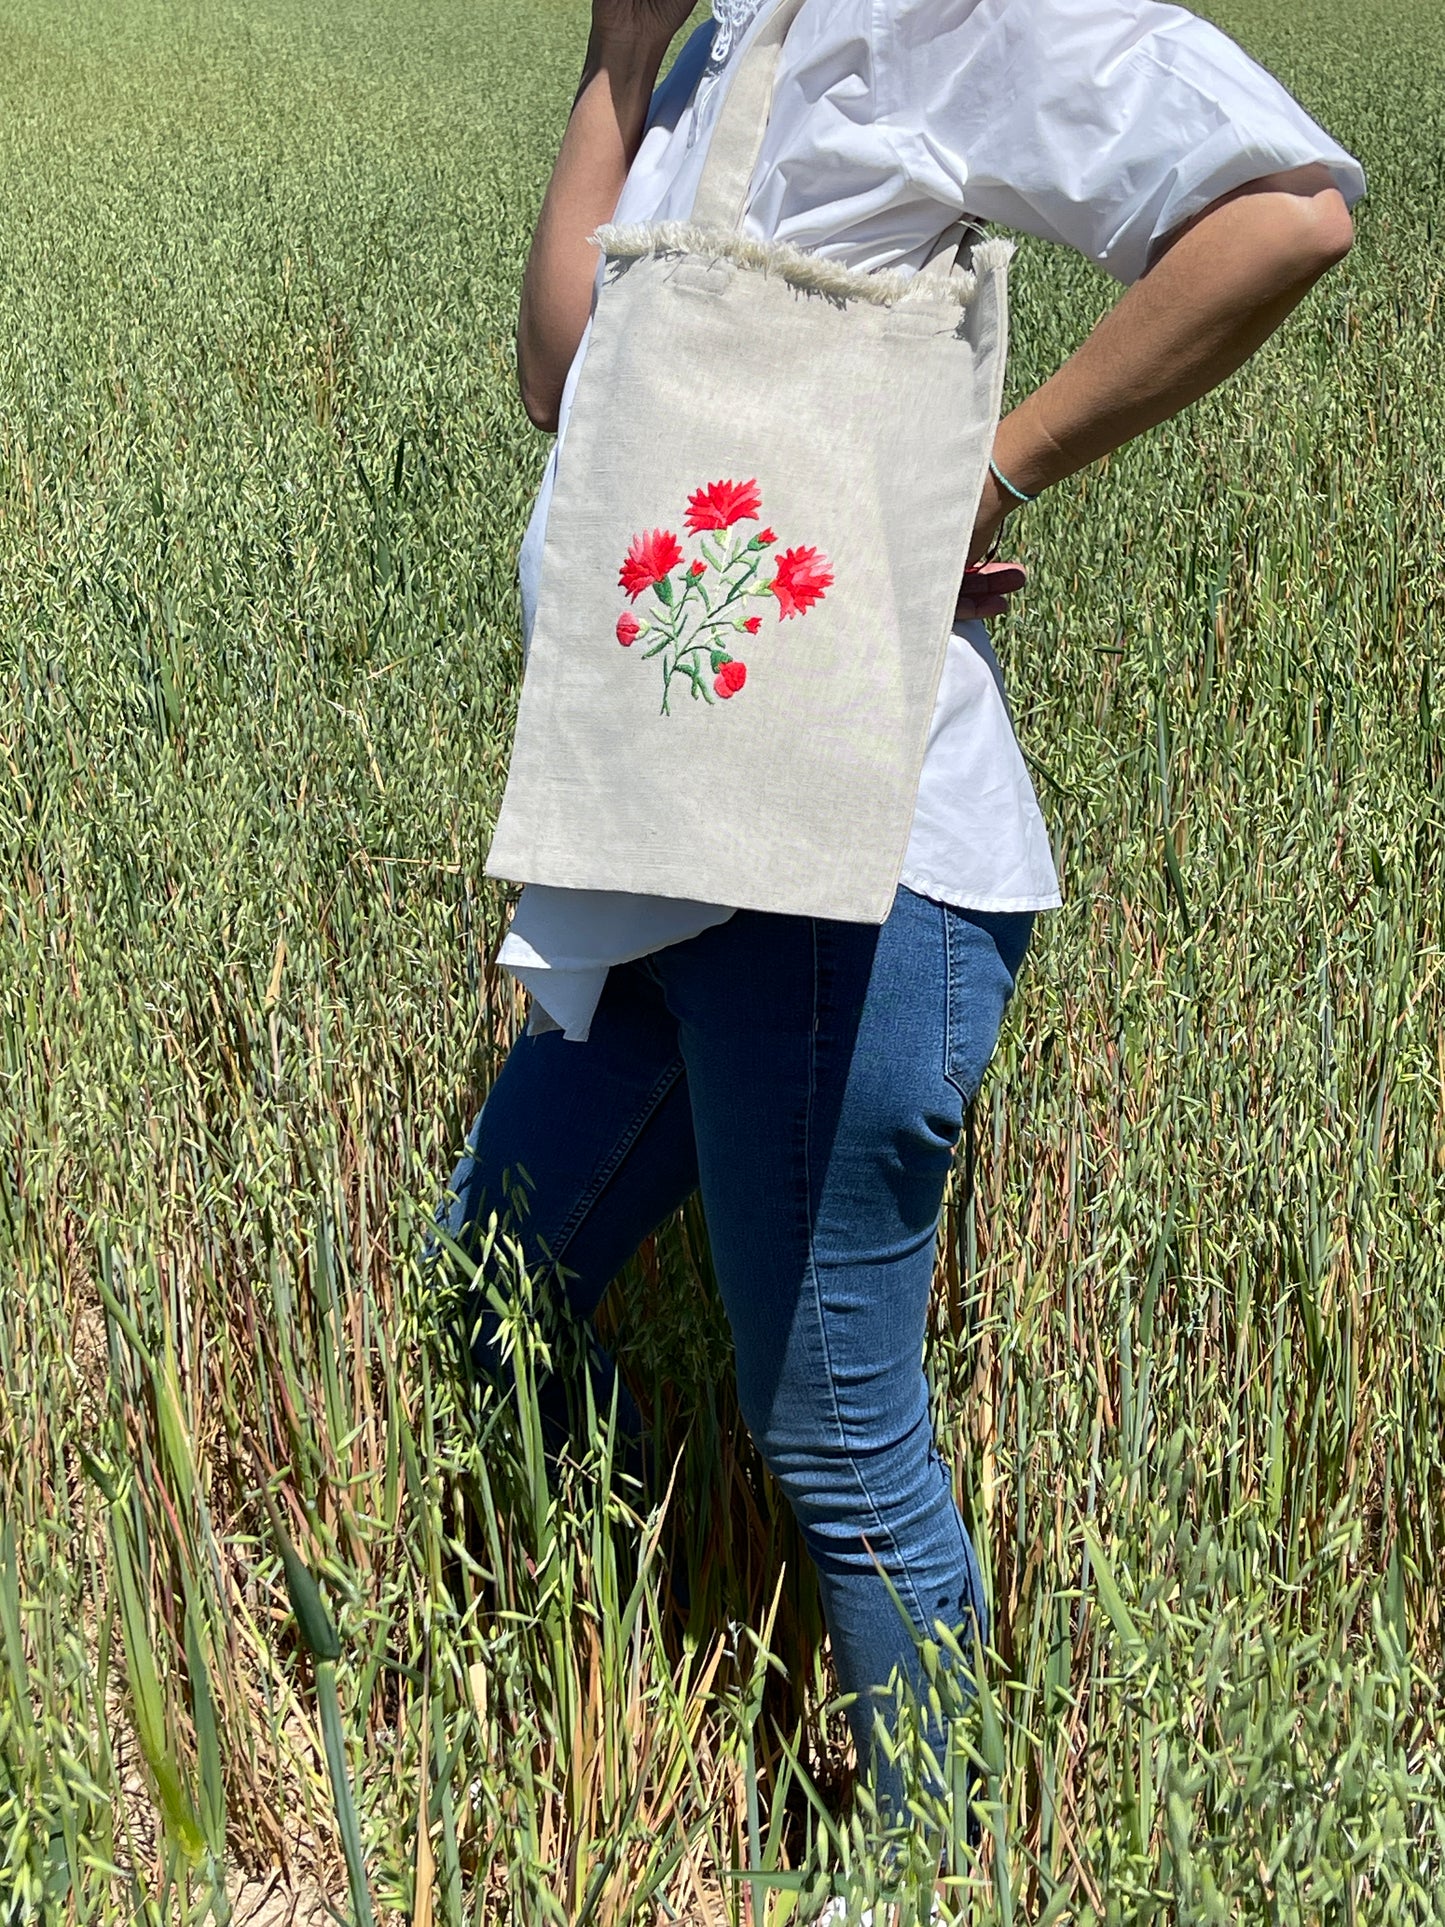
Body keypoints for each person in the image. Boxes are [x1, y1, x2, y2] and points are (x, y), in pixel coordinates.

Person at [440, 0, 1362, 1826]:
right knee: (494, 1284)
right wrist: (621, 58)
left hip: (850, 867)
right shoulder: (707, 54)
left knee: (836, 1432)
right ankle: (660, 1665)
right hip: (662, 844)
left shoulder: (941, 13)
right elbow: (561, 378)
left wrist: (981, 476)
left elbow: (1281, 207)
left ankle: (933, 1856)